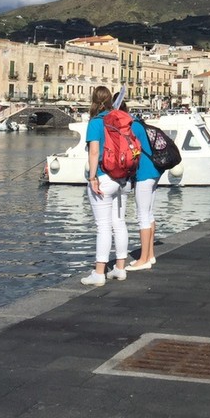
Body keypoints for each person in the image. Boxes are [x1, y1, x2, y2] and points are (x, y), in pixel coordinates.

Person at [80, 85, 134, 286]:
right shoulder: (119, 118)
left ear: (93, 100)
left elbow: (94, 152)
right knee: (119, 223)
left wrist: (92, 177)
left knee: (103, 226)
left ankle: (99, 273)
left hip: (103, 176)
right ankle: (120, 268)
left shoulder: (95, 122)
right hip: (122, 177)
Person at [124, 99, 163, 271]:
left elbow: (132, 151)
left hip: (144, 173)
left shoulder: (130, 127)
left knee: (142, 216)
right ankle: (150, 254)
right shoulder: (138, 123)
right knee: (149, 213)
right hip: (154, 171)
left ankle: (143, 259)